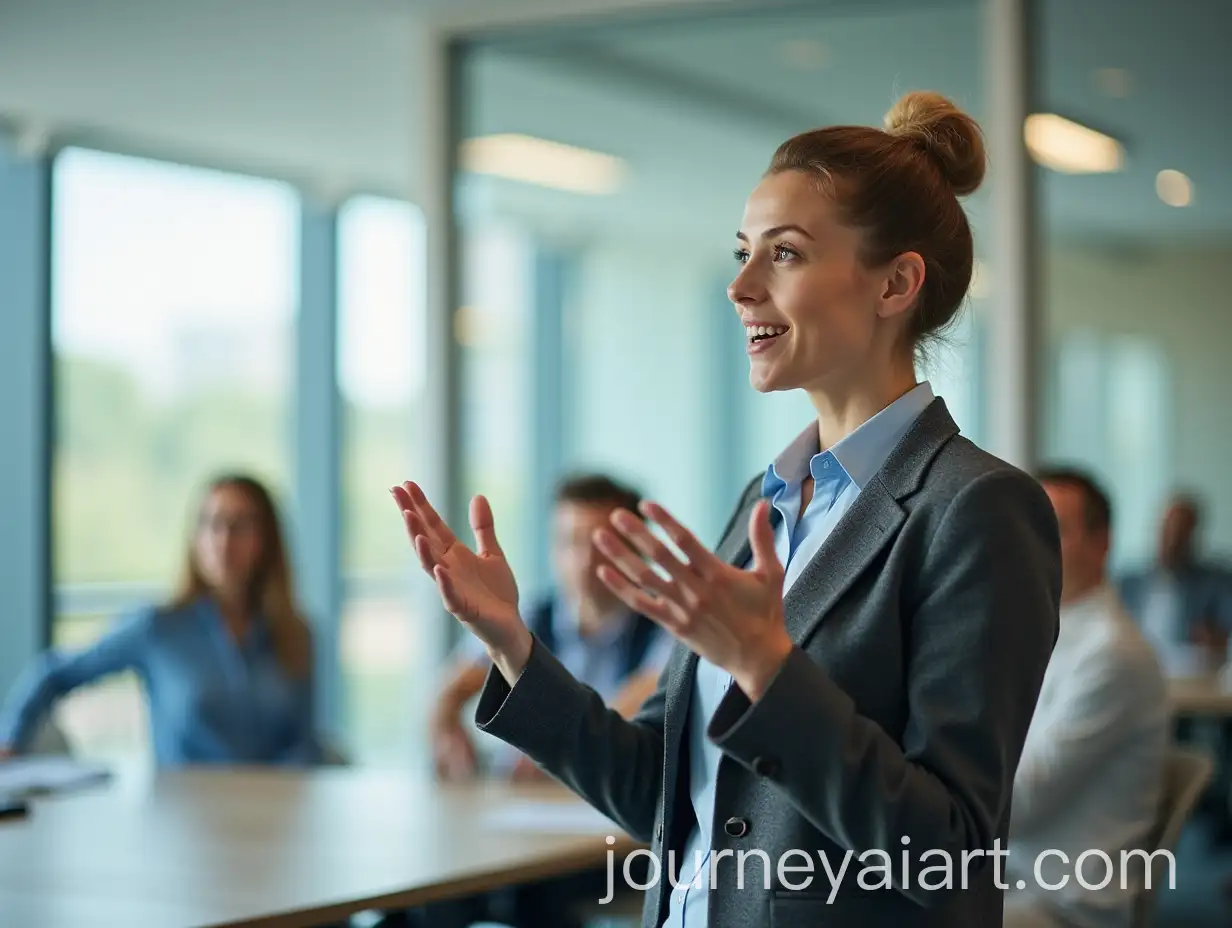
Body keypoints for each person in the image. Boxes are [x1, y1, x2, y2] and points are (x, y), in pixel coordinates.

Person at [393, 91, 1060, 928]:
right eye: (744, 252)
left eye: (783, 255)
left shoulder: (977, 510)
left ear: (896, 282)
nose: (741, 286)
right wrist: (514, 646)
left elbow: (949, 856)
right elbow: (662, 792)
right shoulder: (768, 501)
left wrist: (769, 673)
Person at [0, 474, 321, 767]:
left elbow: (303, 741)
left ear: (267, 539)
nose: (223, 541)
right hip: (183, 813)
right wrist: (10, 740)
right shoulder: (157, 628)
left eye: (240, 525)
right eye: (211, 524)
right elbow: (54, 672)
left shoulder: (295, 634)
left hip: (272, 814)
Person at [1003, 469, 1167, 928]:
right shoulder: (1040, 631)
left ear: (1102, 543)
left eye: (1055, 527)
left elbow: (1019, 804)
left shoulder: (1111, 653)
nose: (1033, 542)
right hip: (1005, 879)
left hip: (1061, 905)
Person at [430, 473, 671, 783]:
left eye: (601, 544)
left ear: (637, 550)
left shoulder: (664, 629)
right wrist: (447, 726)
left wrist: (551, 747)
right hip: (521, 799)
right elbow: (448, 692)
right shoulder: (526, 616)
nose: (583, 561)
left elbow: (625, 712)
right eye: (569, 542)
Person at [1118, 493, 1232, 676]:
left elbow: (1224, 631)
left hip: (1191, 677)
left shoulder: (1214, 582)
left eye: (1180, 533)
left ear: (1193, 536)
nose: (1171, 541)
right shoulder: (1129, 582)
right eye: (1167, 530)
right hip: (1135, 671)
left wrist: (1214, 637)